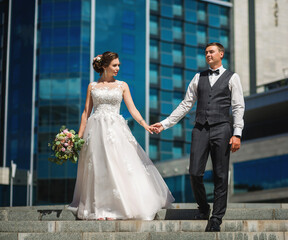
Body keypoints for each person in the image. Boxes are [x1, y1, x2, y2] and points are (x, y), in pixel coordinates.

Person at [68, 51, 174, 220]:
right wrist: (77, 138)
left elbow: (132, 109)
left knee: (117, 166)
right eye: (114, 65)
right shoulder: (92, 86)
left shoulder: (122, 85)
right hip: (95, 130)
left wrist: (145, 124)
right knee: (99, 168)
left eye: (118, 65)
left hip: (115, 130)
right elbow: (85, 113)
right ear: (104, 66)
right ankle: (99, 209)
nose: (117, 68)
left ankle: (115, 209)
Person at [151, 43, 245, 231]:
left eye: (211, 52)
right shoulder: (198, 77)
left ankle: (216, 218)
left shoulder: (232, 77)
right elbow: (186, 104)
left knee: (220, 175)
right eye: (206, 53)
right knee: (194, 172)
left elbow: (238, 107)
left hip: (222, 129)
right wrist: (165, 123)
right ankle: (204, 208)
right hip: (200, 129)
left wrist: (237, 133)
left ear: (221, 54)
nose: (208, 55)